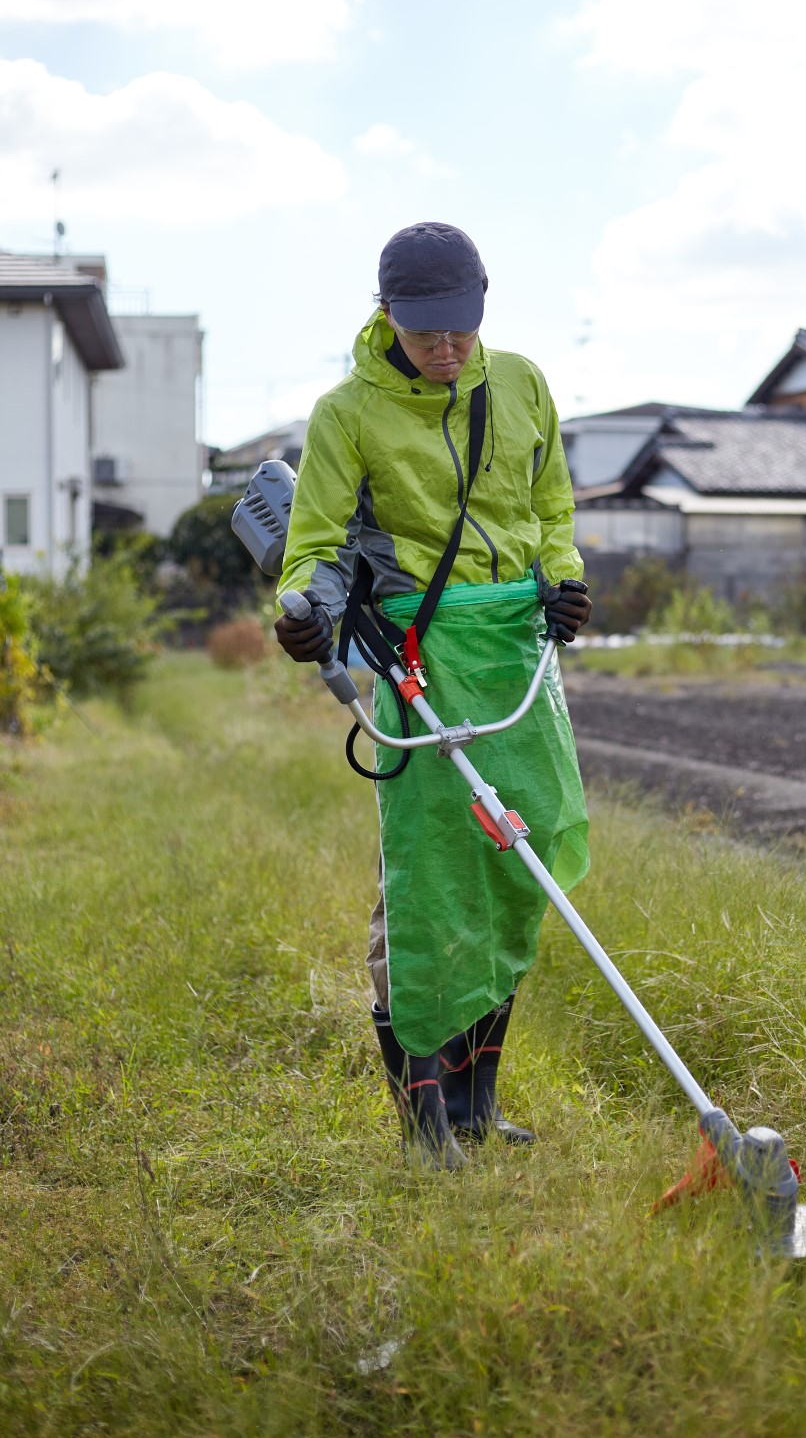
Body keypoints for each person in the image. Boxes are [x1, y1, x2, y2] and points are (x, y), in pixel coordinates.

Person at [275, 221, 592, 1168]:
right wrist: (302, 616)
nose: (445, 349)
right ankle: (423, 1121)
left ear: (483, 307)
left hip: (516, 650)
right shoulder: (347, 413)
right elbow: (315, 544)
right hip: (420, 646)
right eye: (424, 332)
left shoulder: (525, 383)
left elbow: (551, 511)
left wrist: (563, 582)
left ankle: (478, 1103)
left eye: (459, 327)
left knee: (515, 859)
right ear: (387, 316)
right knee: (424, 880)